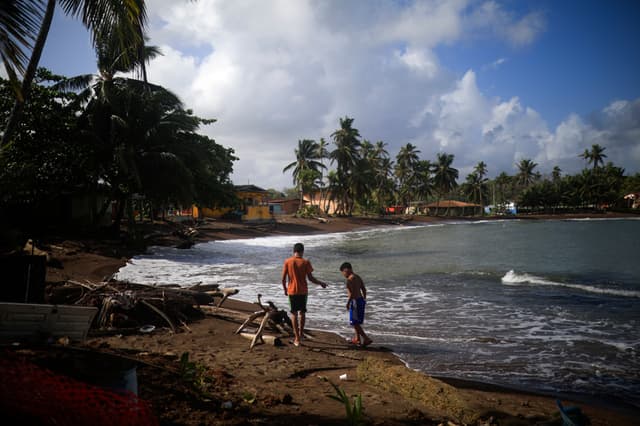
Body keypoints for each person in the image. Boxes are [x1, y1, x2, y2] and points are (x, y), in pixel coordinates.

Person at [282, 242, 327, 346]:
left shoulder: (288, 261)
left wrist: (285, 289)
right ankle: (301, 334)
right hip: (303, 291)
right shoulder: (306, 262)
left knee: (294, 313)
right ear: (302, 251)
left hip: (292, 291)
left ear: (294, 251)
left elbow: (283, 278)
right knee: (302, 313)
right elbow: (311, 278)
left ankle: (297, 338)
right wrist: (321, 283)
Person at [340, 262, 372, 347]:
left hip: (354, 301)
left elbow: (352, 293)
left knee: (354, 323)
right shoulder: (357, 277)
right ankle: (357, 338)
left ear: (346, 270)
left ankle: (366, 338)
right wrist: (364, 299)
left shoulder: (349, 280)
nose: (343, 274)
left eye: (343, 272)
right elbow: (364, 289)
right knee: (356, 321)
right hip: (360, 300)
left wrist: (348, 303)